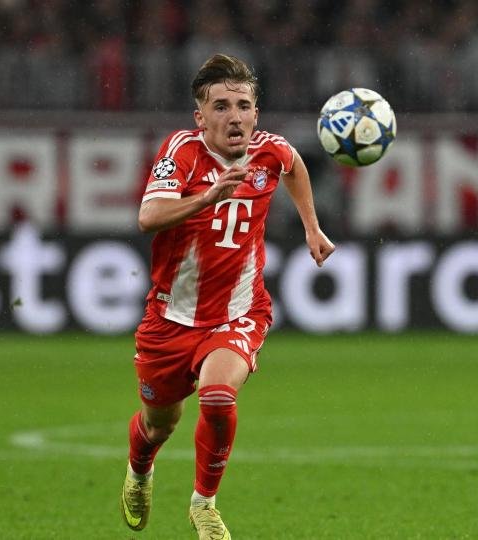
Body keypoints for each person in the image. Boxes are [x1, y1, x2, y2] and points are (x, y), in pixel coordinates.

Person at [119, 54, 335, 539]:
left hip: (238, 312)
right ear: (201, 117)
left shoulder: (270, 151)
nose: (233, 116)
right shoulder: (182, 151)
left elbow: (295, 166)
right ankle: (139, 470)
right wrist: (208, 197)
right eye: (220, 106)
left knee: (218, 395)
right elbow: (149, 217)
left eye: (242, 105)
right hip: (170, 319)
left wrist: (311, 227)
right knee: (159, 425)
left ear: (256, 114)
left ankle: (204, 504)